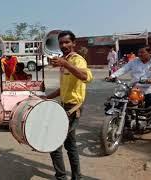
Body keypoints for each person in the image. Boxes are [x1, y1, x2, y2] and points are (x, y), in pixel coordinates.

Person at [47, 30, 93, 180]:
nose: (64, 45)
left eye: (67, 42)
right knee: (71, 145)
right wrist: (46, 97)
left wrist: (65, 63)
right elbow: (63, 89)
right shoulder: (64, 61)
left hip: (73, 108)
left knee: (54, 145)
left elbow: (85, 77)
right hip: (64, 106)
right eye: (61, 43)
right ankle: (76, 177)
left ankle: (62, 177)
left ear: (74, 43)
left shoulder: (77, 60)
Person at [107, 46, 151, 146]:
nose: (139, 55)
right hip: (135, 87)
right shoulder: (134, 61)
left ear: (149, 52)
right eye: (139, 53)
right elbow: (124, 69)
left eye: (142, 53)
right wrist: (112, 76)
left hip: (150, 88)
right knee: (121, 104)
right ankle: (126, 128)